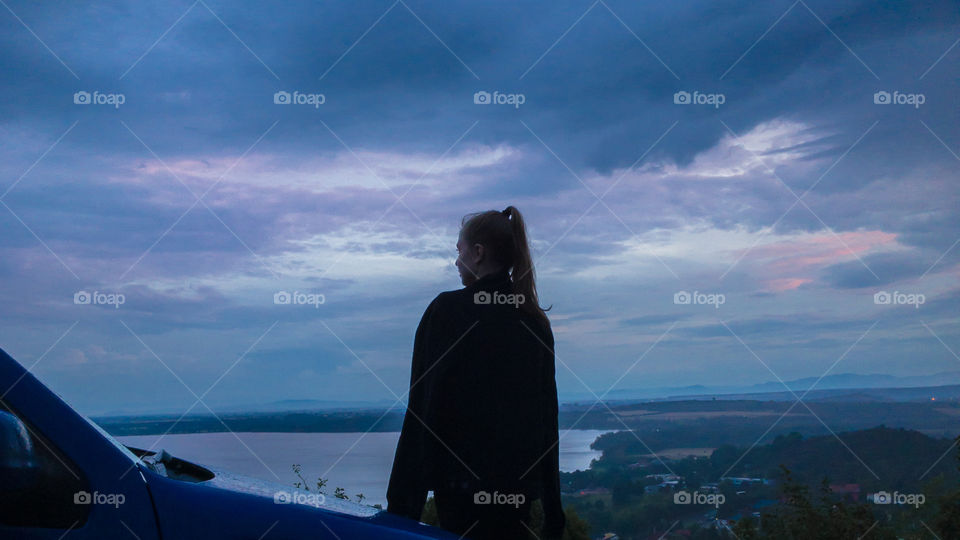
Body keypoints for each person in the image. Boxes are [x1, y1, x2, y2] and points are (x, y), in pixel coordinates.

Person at [386, 206, 566, 540]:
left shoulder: (447, 311)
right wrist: (554, 515)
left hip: (460, 496)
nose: (457, 261)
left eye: (460, 251)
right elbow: (546, 420)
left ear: (479, 253)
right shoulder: (532, 320)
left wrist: (401, 511)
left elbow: (421, 412)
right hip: (518, 497)